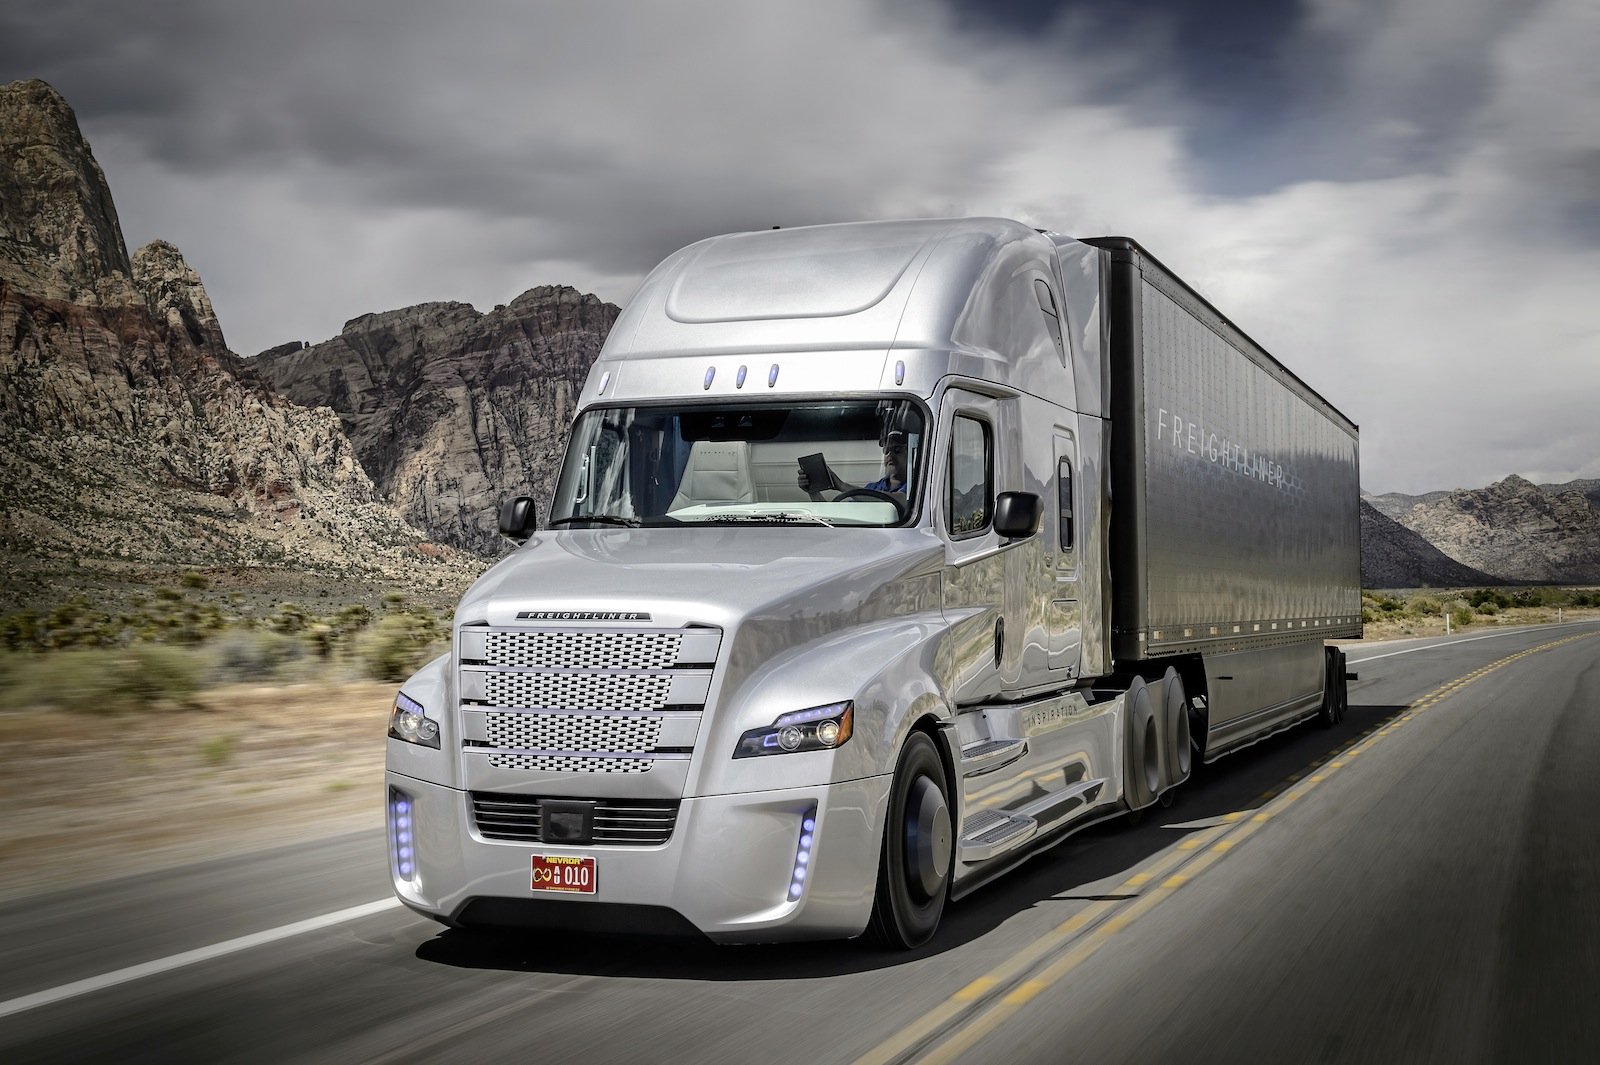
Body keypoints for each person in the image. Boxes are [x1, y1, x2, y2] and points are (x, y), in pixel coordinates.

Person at [797, 432, 908, 497]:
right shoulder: (872, 488)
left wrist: (841, 486)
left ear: (911, 454)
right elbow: (835, 520)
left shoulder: (916, 489)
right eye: (886, 451)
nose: (890, 455)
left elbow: (893, 501)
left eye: (897, 449)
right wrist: (813, 491)